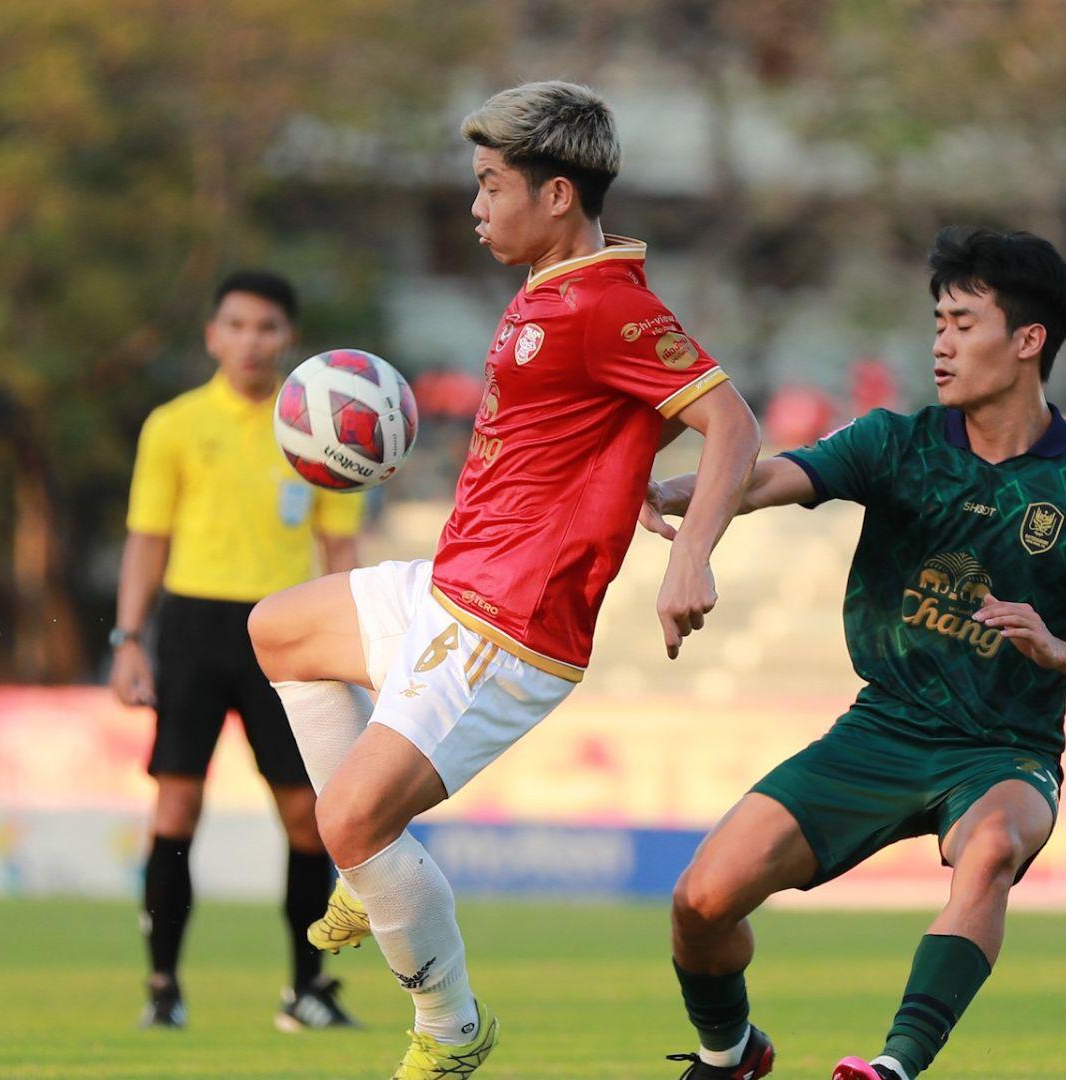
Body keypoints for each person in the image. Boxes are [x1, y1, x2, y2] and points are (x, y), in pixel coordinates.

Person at [249, 81, 762, 1078]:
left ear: (558, 193)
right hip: (452, 584)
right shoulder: (549, 294)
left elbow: (732, 421)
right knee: (277, 630)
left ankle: (450, 1029)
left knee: (346, 818)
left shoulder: (607, 302)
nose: (477, 207)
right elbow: (594, 429)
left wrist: (690, 556)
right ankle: (376, 866)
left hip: (509, 625)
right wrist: (626, 479)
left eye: (491, 186)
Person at [644, 227, 1066, 1080]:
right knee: (699, 903)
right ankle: (730, 1053)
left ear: (1028, 340)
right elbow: (774, 477)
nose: (941, 342)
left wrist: (1055, 648)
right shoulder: (899, 443)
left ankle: (892, 1068)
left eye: (963, 322)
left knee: (993, 846)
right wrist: (674, 491)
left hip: (1005, 751)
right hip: (880, 730)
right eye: (937, 322)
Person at [110, 271, 364, 1032]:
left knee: (306, 817)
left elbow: (340, 544)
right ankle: (163, 989)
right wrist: (129, 639)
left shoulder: (321, 426)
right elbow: (147, 539)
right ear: (212, 335)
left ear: (289, 338)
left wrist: (350, 644)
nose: (252, 341)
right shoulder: (175, 425)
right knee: (177, 803)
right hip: (190, 627)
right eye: (238, 325)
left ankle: (306, 990)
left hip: (284, 631)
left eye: (268, 328)